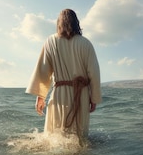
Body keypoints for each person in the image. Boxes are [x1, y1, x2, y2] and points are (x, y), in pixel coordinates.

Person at [26, 9, 102, 141]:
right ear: (76, 23)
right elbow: (94, 73)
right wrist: (94, 98)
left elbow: (43, 71)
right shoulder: (86, 44)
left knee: (55, 136)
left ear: (58, 23)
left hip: (58, 95)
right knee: (79, 138)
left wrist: (41, 96)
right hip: (81, 94)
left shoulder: (50, 41)